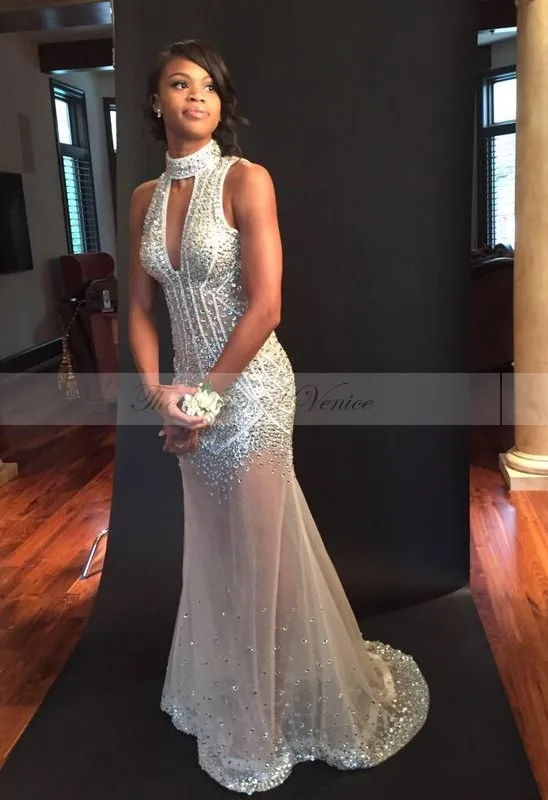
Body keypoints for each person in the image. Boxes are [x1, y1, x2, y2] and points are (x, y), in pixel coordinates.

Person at [128, 38, 429, 795]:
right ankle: (238, 689)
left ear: (221, 103)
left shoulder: (245, 179)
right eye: (179, 84)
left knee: (259, 555)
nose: (196, 96)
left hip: (253, 391)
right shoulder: (142, 199)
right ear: (156, 102)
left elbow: (266, 307)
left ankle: (269, 720)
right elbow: (134, 309)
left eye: (209, 86)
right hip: (188, 398)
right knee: (219, 549)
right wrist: (160, 393)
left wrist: (205, 400)